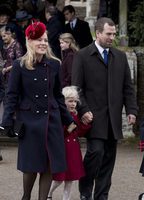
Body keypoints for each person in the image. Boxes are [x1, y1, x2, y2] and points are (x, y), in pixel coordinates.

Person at [0, 21, 76, 200]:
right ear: (29, 41)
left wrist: (68, 119)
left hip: (52, 121)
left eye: (45, 40)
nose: (42, 43)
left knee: (49, 165)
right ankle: (26, 196)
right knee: (31, 166)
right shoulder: (19, 65)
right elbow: (11, 95)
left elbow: (58, 96)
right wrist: (6, 122)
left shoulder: (55, 64)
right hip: (29, 123)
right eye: (38, 39)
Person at [72, 17, 138, 200]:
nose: (112, 37)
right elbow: (77, 88)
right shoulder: (82, 56)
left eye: (114, 34)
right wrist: (83, 110)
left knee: (108, 159)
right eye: (109, 34)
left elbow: (128, 88)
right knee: (96, 152)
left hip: (113, 119)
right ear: (98, 33)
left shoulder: (120, 56)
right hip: (93, 118)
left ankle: (102, 195)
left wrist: (132, 110)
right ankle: (85, 190)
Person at [48, 86, 91, 200]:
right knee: (58, 179)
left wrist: (85, 124)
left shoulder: (75, 115)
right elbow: (58, 134)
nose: (73, 104)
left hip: (73, 150)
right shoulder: (59, 115)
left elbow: (79, 132)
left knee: (70, 179)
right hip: (63, 150)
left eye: (75, 101)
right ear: (64, 101)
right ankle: (49, 193)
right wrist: (68, 129)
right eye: (70, 101)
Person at [0, 24, 23, 104]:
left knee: (13, 99)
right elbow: (5, 59)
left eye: (4, 36)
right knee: (6, 99)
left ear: (10, 34)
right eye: (2, 37)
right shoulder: (5, 46)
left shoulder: (17, 45)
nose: (3, 39)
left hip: (14, 75)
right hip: (5, 76)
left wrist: (7, 68)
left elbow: (19, 62)